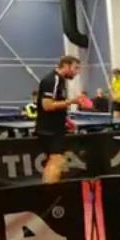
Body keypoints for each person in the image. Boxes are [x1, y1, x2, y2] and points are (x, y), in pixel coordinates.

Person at [36, 55, 82, 184]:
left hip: (56, 127)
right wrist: (72, 101)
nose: (77, 72)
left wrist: (66, 121)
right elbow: (47, 105)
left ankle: (48, 187)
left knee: (57, 160)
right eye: (75, 68)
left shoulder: (61, 81)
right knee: (56, 160)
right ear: (66, 66)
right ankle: (49, 190)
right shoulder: (52, 80)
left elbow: (57, 104)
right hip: (49, 128)